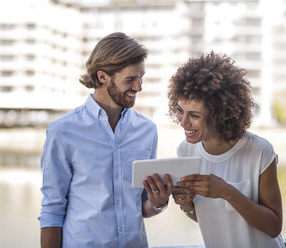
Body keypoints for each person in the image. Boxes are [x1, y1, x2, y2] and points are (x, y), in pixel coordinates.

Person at [38, 32, 173, 248]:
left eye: (141, 78)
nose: (139, 87)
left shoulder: (147, 131)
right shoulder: (63, 131)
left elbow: (139, 207)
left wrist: (157, 203)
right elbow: (53, 209)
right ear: (102, 77)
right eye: (130, 79)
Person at [168, 51, 284, 247]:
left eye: (194, 115)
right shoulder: (185, 151)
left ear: (219, 114)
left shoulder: (259, 151)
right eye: (180, 111)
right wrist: (185, 203)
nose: (183, 122)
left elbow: (274, 227)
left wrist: (227, 192)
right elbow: (208, 218)